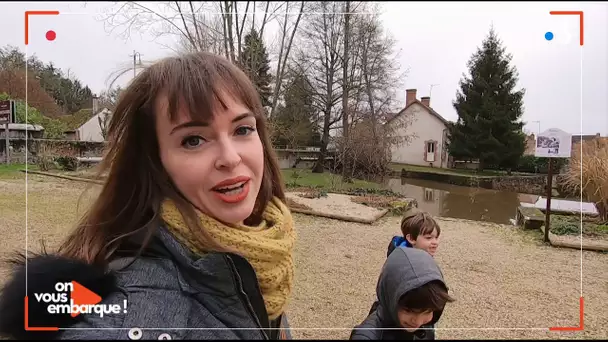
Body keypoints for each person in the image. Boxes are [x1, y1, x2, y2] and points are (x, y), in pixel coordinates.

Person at [0, 52, 296, 340]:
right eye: (193, 140)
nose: (230, 158)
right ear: (155, 164)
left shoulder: (260, 257)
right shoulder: (122, 322)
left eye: (242, 129)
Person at [350, 247, 454, 340]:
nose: (417, 321)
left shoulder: (424, 325)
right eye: (409, 310)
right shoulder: (366, 336)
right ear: (390, 295)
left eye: (427, 311)